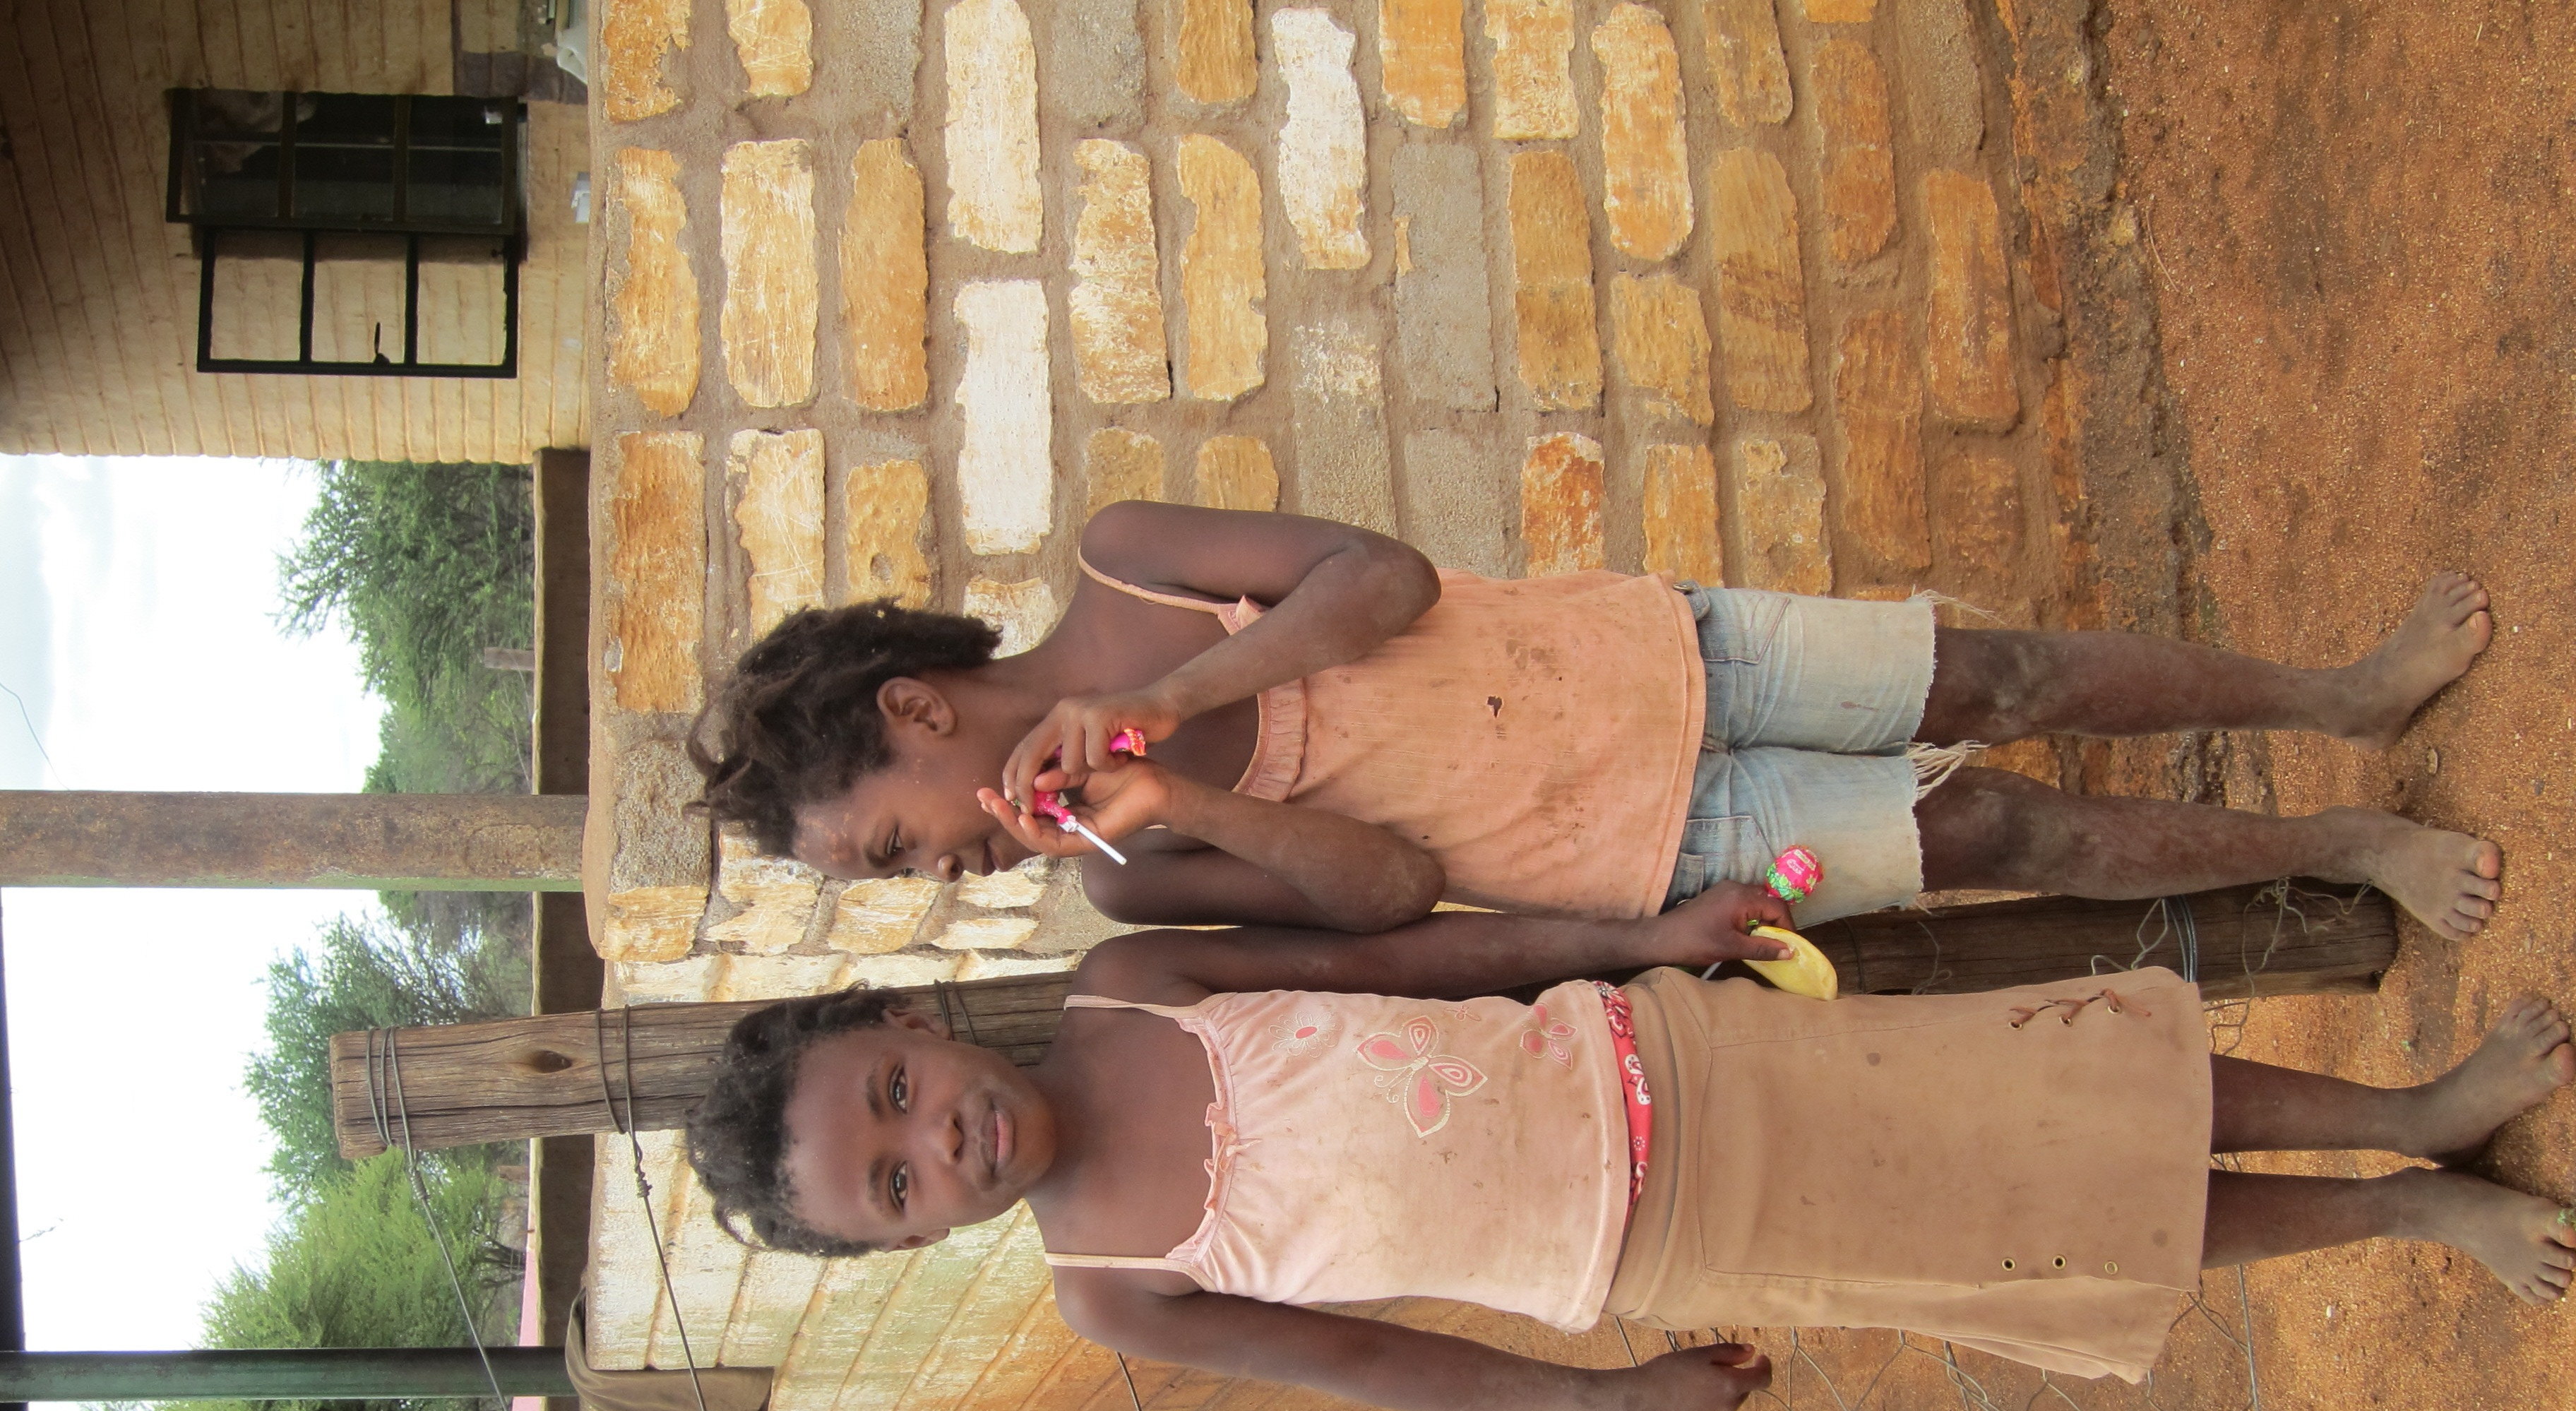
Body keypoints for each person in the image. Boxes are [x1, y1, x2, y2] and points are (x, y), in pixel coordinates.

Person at [678, 888, 2574, 1411]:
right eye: (901, 1185)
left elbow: (1395, 959)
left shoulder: (1129, 984)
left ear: (914, 1021)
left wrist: (1643, 941)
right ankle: (2407, 1212)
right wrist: (1619, 1402)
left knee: (2044, 1093)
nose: (943, 1141)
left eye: (899, 1094)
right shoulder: (1110, 1285)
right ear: (910, 1244)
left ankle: (2408, 1113)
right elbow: (1378, 1365)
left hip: (1680, 1053)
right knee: (2041, 1227)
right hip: (1680, 1239)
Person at [686, 502, 2505, 939]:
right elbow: (1393, 891)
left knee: (2005, 673)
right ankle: (2343, 845)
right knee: (2006, 834)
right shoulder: (1122, 879)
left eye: (901, 837)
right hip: (1654, 848)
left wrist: (1166, 689)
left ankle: (2338, 697)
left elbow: (1383, 579)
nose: (948, 865)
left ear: (916, 704)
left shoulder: (1126, 569)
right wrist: (1182, 804)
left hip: (1664, 654)